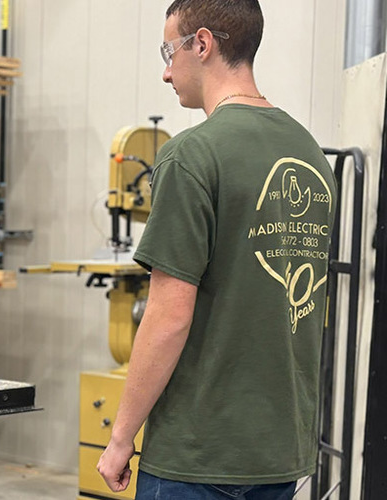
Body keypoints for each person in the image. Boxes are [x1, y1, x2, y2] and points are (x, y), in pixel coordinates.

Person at [97, 1, 337, 499]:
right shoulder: (309, 152)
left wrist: (121, 437)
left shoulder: (192, 154)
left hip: (198, 454)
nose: (166, 72)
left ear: (202, 44)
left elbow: (168, 315)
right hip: (279, 454)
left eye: (170, 51)